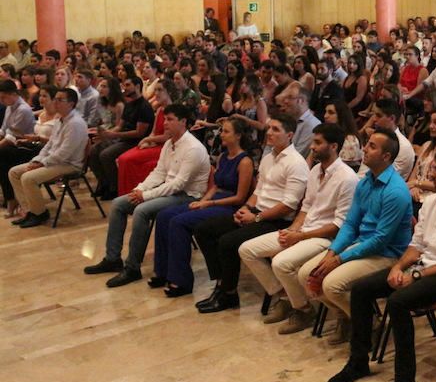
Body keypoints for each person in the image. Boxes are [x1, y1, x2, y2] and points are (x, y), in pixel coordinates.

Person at [327, 148, 436, 382]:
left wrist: (414, 275)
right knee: (362, 288)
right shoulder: (433, 202)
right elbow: (416, 245)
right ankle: (358, 361)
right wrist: (399, 267)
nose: (431, 174)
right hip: (422, 267)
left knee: (398, 302)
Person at [295, 127, 413, 343]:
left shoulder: (395, 191)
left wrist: (340, 259)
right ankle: (349, 317)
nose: (364, 149)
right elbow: (350, 224)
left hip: (388, 254)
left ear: (386, 157)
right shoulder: (366, 181)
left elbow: (380, 240)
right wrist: (332, 252)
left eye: (371, 146)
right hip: (363, 244)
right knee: (306, 274)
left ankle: (369, 324)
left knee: (332, 285)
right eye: (366, 143)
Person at [239, 123, 359, 334]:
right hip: (305, 230)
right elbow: (306, 208)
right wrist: (293, 231)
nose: (312, 147)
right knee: (246, 250)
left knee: (281, 262)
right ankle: (285, 297)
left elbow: (339, 225)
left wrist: (301, 236)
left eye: (318, 143)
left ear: (333, 146)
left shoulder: (347, 178)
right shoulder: (314, 170)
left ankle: (303, 310)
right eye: (313, 141)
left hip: (326, 238)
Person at [192, 114, 310, 313]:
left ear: (289, 135)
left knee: (228, 242)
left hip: (276, 220)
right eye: (269, 128)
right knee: (204, 229)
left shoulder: (296, 163)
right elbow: (258, 191)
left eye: (275, 129)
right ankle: (222, 284)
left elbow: (288, 206)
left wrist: (255, 217)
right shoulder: (268, 158)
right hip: (257, 212)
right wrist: (245, 208)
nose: (269, 133)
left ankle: (229, 294)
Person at [83, 104, 210, 286]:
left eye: (170, 119)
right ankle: (112, 258)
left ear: (183, 122)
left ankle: (132, 267)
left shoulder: (193, 148)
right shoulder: (169, 143)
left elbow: (178, 184)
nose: (165, 123)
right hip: (170, 191)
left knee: (142, 210)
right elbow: (159, 173)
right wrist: (140, 189)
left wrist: (146, 196)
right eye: (165, 119)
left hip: (188, 196)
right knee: (119, 204)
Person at [150, 117, 255, 296]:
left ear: (238, 136)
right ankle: (163, 271)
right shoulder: (223, 157)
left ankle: (181, 280)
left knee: (179, 222)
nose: (221, 134)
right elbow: (215, 185)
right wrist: (203, 201)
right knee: (164, 215)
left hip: (228, 205)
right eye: (222, 130)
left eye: (226, 131)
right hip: (214, 200)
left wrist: (209, 203)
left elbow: (239, 197)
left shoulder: (245, 161)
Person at [8, 88, 88, 228]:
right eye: (55, 99)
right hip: (55, 161)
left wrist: (42, 164)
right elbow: (50, 145)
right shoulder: (59, 120)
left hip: (69, 164)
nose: (55, 102)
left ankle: (40, 213)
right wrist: (37, 160)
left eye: (60, 100)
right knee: (14, 172)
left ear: (71, 104)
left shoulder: (75, 123)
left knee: (28, 177)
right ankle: (29, 211)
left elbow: (64, 153)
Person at [89, 76, 154, 200]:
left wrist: (114, 135)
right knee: (93, 150)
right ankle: (104, 183)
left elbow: (139, 133)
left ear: (137, 86)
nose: (125, 88)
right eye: (124, 85)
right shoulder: (129, 104)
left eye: (128, 85)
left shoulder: (144, 106)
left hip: (135, 141)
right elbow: (120, 126)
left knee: (106, 155)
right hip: (124, 138)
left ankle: (115, 188)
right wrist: (107, 134)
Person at [0, 79, 37, 218]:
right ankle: (10, 198)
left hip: (27, 148)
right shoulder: (10, 106)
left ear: (13, 94)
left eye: (3, 97)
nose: (1, 100)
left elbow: (12, 137)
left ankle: (11, 199)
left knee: (2, 156)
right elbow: (3, 130)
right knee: (2, 159)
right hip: (13, 147)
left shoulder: (23, 109)